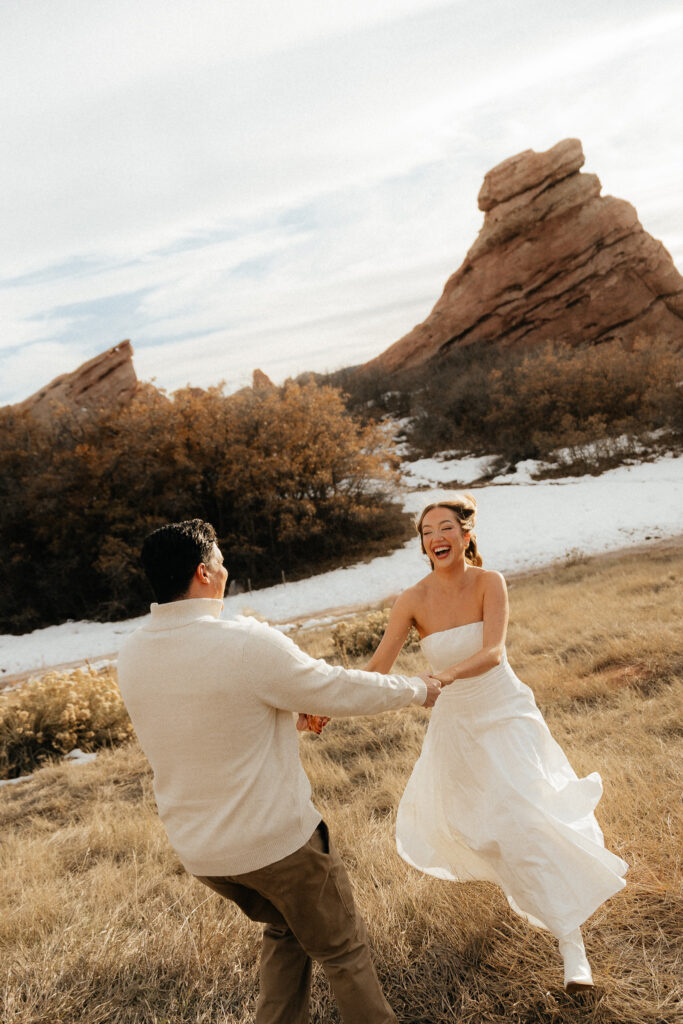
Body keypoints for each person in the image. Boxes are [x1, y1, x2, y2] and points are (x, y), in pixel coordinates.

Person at [117, 518, 441, 1024]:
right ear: (203, 572)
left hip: (205, 855)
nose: (226, 568)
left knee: (287, 929)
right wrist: (417, 688)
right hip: (277, 846)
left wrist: (287, 715)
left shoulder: (132, 653)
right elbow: (334, 687)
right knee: (342, 951)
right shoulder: (243, 641)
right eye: (221, 560)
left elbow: (208, 721)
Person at [365, 493, 628, 992]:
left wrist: (439, 677)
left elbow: (493, 652)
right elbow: (377, 668)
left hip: (505, 714)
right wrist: (324, 706)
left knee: (526, 819)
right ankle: (539, 897)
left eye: (445, 527)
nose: (435, 537)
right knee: (491, 833)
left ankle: (573, 950)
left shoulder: (490, 583)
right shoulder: (413, 599)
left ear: (466, 534)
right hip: (456, 730)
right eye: (426, 531)